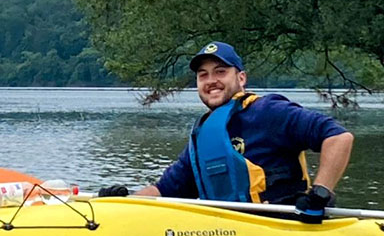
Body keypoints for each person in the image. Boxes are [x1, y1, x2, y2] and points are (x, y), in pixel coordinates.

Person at [100, 41, 354, 224]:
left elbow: (338, 137)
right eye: (203, 75)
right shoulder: (204, 136)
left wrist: (320, 194)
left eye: (220, 72)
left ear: (241, 78)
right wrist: (121, 202)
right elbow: (164, 191)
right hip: (232, 232)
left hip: (288, 226)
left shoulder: (269, 111)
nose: (211, 80)